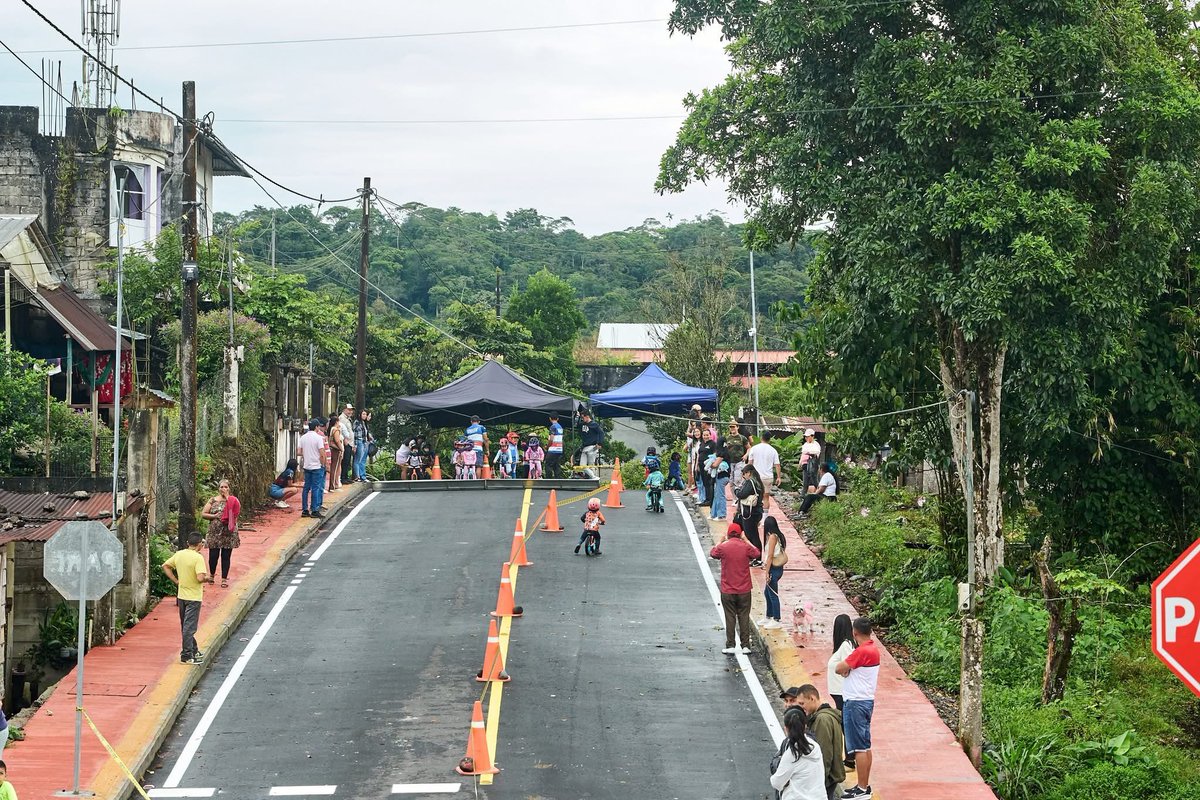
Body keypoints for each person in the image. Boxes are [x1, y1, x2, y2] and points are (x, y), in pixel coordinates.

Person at [835, 618, 881, 800]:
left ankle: (862, 789)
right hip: (866, 700)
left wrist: (846, 669)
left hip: (855, 702)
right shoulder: (873, 649)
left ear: (854, 633)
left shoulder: (861, 651)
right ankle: (864, 786)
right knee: (865, 745)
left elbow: (840, 668)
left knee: (859, 748)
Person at [709, 522, 760, 655]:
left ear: (728, 534)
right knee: (744, 616)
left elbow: (713, 553)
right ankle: (745, 646)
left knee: (730, 616)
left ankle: (731, 644)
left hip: (728, 589)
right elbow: (757, 553)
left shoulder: (724, 548)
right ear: (740, 534)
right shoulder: (745, 547)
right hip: (744, 589)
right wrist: (747, 540)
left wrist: (720, 541)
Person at [162, 532, 212, 664]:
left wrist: (176, 580)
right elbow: (200, 578)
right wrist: (208, 578)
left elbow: (165, 566)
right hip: (194, 597)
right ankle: (187, 655)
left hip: (182, 596)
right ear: (200, 544)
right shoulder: (198, 558)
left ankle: (194, 649)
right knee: (189, 628)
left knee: (185, 625)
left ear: (188, 543)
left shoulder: (179, 554)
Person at [798, 684, 848, 800]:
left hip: (825, 776)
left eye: (802, 703)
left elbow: (824, 752)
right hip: (830, 774)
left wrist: (820, 780)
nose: (802, 707)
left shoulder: (822, 720)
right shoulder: (826, 715)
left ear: (812, 698)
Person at [770, 707, 827, 800]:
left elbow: (776, 783)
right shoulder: (815, 746)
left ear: (786, 728)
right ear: (805, 726)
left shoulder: (792, 754)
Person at [201, 479, 240, 588]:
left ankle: (224, 578)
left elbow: (236, 512)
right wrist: (214, 516)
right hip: (215, 532)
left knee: (226, 556)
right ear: (218, 488)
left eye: (226, 487)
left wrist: (228, 498)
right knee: (213, 555)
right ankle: (212, 575)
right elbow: (203, 514)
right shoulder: (213, 500)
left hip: (228, 533)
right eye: (222, 487)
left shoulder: (233, 500)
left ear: (229, 488)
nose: (223, 489)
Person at [758, 515, 788, 629]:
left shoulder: (772, 538)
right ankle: (769, 615)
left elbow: (770, 556)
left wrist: (766, 572)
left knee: (773, 594)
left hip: (773, 569)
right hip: (777, 568)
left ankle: (776, 618)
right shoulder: (779, 536)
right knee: (767, 592)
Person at [734, 464, 766, 560]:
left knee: (752, 535)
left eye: (744, 473)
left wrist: (736, 491)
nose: (744, 476)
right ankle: (751, 555)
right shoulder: (758, 482)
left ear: (749, 473)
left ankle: (756, 557)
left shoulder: (750, 482)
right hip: (755, 512)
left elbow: (741, 494)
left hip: (750, 513)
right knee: (749, 533)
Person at [827, 614, 856, 712]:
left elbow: (848, 665)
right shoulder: (844, 645)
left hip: (841, 691)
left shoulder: (846, 645)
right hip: (838, 691)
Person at [298, 418, 327, 518]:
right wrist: (323, 464)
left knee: (306, 488)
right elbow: (322, 453)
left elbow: (298, 452)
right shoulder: (318, 438)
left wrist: (306, 453)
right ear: (316, 427)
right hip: (316, 466)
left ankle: (305, 509)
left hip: (307, 465)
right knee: (316, 488)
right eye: (318, 426)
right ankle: (314, 509)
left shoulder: (303, 438)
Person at [747, 430, 783, 510]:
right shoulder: (773, 450)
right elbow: (777, 465)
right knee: (766, 498)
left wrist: (747, 475)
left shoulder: (754, 449)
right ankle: (765, 518)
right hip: (768, 477)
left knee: (754, 497)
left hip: (755, 477)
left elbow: (750, 463)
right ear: (769, 439)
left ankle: (756, 517)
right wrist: (778, 477)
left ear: (761, 438)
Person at [578, 410, 604, 479]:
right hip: (584, 447)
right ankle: (594, 477)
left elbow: (601, 433)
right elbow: (577, 425)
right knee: (582, 465)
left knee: (591, 465)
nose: (582, 419)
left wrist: (599, 443)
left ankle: (594, 479)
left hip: (592, 447)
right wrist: (577, 417)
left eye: (583, 417)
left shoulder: (594, 425)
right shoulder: (582, 424)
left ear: (587, 416)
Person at [709, 444, 732, 520]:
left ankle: (721, 515)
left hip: (722, 477)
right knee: (717, 495)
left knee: (720, 495)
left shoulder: (722, 454)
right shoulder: (726, 453)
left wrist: (709, 464)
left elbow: (715, 465)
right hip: (722, 476)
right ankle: (714, 514)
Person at [327, 411, 345, 491]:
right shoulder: (336, 430)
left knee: (334, 467)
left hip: (333, 450)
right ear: (336, 422)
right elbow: (337, 441)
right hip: (336, 450)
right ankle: (333, 486)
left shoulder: (331, 429)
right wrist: (341, 449)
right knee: (335, 468)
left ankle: (334, 485)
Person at [338, 404, 356, 484]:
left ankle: (345, 476)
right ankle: (343, 477)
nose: (350, 411)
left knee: (347, 460)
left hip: (349, 442)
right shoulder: (342, 418)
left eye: (351, 410)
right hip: (346, 442)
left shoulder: (348, 419)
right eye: (349, 410)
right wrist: (345, 440)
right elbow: (341, 430)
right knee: (345, 460)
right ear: (344, 410)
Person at [353, 409, 372, 481]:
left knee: (362, 460)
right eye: (363, 414)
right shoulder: (357, 422)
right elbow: (354, 434)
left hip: (364, 442)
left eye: (365, 414)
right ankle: (357, 476)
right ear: (360, 414)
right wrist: (355, 445)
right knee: (358, 460)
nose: (365, 416)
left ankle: (362, 476)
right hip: (359, 441)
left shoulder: (363, 423)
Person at [546, 413, 565, 478]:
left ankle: (549, 480)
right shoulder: (560, 427)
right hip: (559, 449)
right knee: (556, 466)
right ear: (558, 419)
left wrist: (547, 446)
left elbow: (551, 439)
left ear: (550, 418)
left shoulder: (553, 427)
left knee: (548, 465)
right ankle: (558, 481)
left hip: (552, 450)